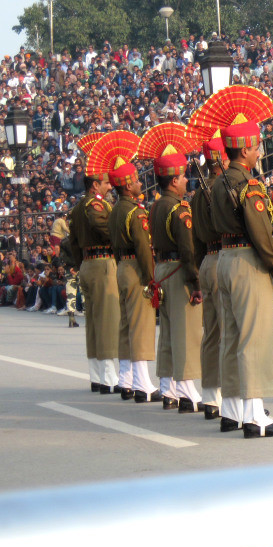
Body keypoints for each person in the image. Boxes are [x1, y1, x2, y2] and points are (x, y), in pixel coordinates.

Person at [197, 85, 273, 437]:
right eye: (256, 146)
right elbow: (262, 233)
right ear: (246, 149)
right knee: (253, 338)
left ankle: (232, 410)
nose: (259, 152)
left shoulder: (219, 184)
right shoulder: (248, 186)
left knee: (231, 338)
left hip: (223, 258)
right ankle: (255, 416)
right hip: (246, 262)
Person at [138, 123, 204, 413]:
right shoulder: (180, 209)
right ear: (173, 180)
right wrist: (195, 282)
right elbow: (188, 250)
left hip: (162, 270)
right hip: (178, 271)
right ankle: (188, 389)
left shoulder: (155, 206)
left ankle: (168, 388)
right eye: (183, 176)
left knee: (167, 331)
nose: (186, 180)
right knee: (186, 332)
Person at [100, 131, 161, 404]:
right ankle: (143, 383)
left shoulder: (114, 210)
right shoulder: (135, 212)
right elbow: (144, 248)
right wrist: (151, 278)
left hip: (120, 267)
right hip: (135, 268)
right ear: (126, 186)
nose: (139, 184)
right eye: (135, 180)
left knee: (126, 325)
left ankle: (125, 378)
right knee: (140, 325)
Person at [73, 136, 121, 394]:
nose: (109, 187)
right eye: (105, 183)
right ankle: (109, 377)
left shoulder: (79, 206)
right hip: (102, 263)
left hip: (87, 263)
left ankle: (96, 374)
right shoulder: (96, 205)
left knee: (93, 322)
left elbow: (71, 241)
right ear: (94, 186)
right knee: (107, 321)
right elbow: (105, 228)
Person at [190, 133, 228, 418]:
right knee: (229, 331)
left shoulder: (197, 195)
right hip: (224, 258)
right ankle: (231, 398)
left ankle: (209, 396)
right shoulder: (223, 187)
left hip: (206, 260)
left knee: (211, 332)